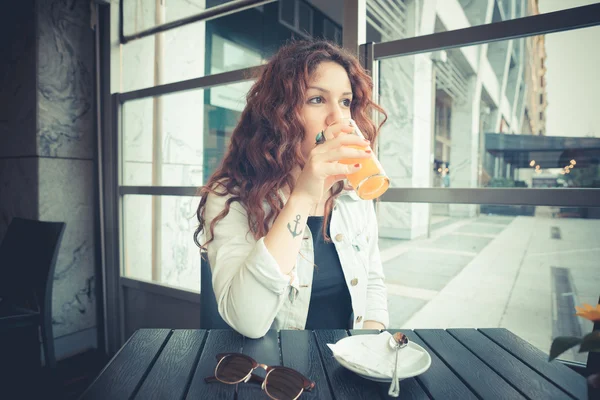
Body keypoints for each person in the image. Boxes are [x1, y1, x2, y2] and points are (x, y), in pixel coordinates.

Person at [194, 39, 389, 339]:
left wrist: (370, 349)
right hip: (275, 376)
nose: (339, 118)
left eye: (345, 102)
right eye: (316, 100)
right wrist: (302, 197)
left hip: (347, 370)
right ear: (279, 114)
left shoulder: (350, 192)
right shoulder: (230, 197)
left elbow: (373, 282)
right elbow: (247, 319)